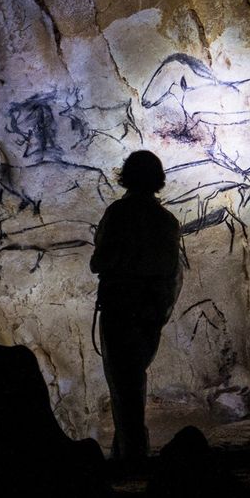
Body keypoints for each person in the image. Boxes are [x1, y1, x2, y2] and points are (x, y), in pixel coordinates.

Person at [90, 150, 184, 465]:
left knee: (123, 382)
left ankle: (131, 456)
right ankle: (130, 450)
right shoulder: (166, 220)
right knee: (133, 379)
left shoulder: (118, 214)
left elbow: (99, 261)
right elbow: (172, 271)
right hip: (150, 312)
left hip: (119, 309)